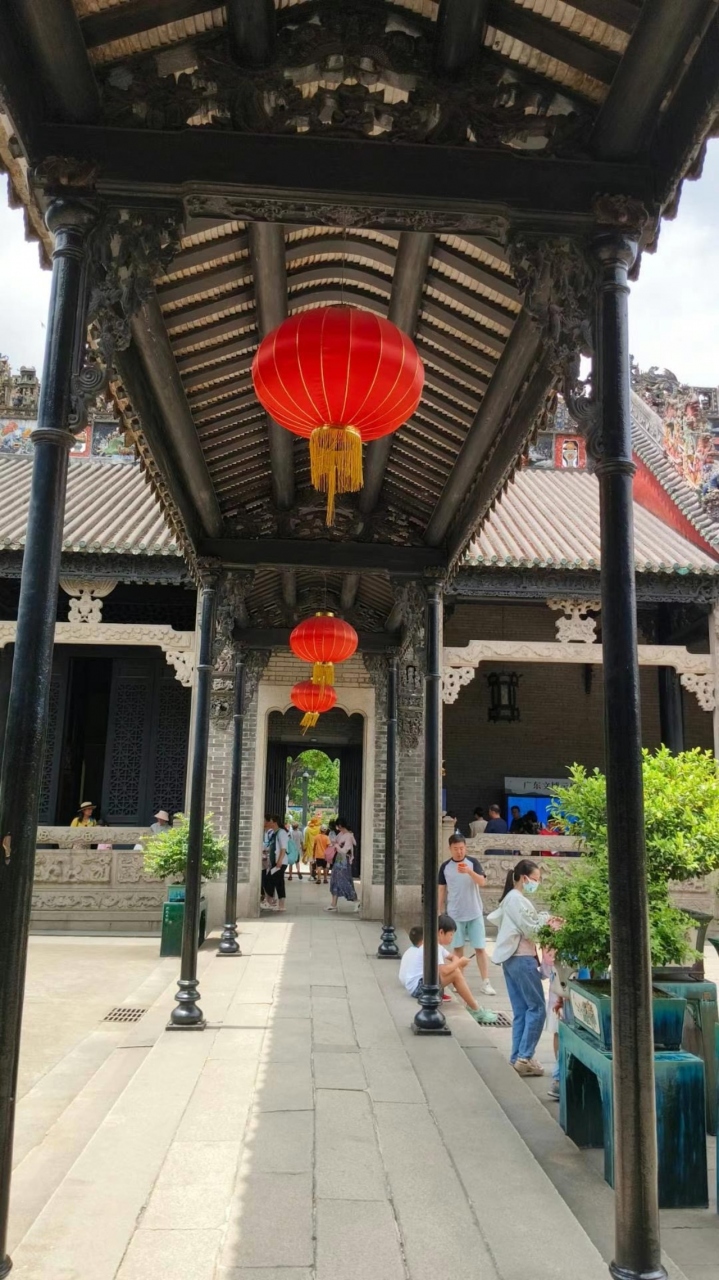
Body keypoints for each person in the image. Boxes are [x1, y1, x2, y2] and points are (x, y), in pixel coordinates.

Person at [487, 859, 550, 1077]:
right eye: (535, 879)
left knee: (522, 1010)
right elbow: (531, 930)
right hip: (522, 958)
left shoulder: (511, 899)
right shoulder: (516, 900)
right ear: (524, 878)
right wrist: (546, 919)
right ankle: (524, 1056)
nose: (536, 883)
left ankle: (518, 1056)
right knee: (537, 1008)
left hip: (512, 959)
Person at [398, 918, 498, 1024]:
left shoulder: (436, 945)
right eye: (451, 934)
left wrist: (456, 961)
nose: (452, 938)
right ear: (441, 932)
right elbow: (444, 971)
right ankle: (475, 1009)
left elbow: (452, 957)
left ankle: (473, 1006)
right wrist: (459, 963)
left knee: (455, 971)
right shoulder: (434, 947)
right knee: (455, 973)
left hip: (421, 984)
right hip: (418, 988)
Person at [438, 834, 495, 996]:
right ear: (450, 849)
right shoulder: (445, 867)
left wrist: (469, 872)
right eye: (456, 849)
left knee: (480, 948)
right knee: (457, 949)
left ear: (466, 848)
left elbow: (482, 882)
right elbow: (441, 889)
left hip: (474, 912)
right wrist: (439, 910)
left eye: (462, 848)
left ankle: (485, 982)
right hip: (455, 914)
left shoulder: (473, 863)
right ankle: (459, 981)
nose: (459, 852)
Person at [326, 816, 359, 911]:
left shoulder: (348, 836)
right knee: (335, 881)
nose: (337, 828)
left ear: (340, 825)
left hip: (343, 861)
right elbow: (335, 841)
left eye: (337, 826)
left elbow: (344, 850)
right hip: (338, 860)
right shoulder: (341, 834)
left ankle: (356, 900)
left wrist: (336, 845)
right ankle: (333, 904)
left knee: (344, 881)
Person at [262, 815, 289, 913]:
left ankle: (270, 902)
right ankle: (280, 905)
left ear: (274, 822)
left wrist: (280, 861)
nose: (267, 823)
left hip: (280, 862)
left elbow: (283, 848)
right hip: (276, 862)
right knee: (279, 883)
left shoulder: (281, 833)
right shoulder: (274, 833)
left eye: (269, 821)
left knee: (269, 880)